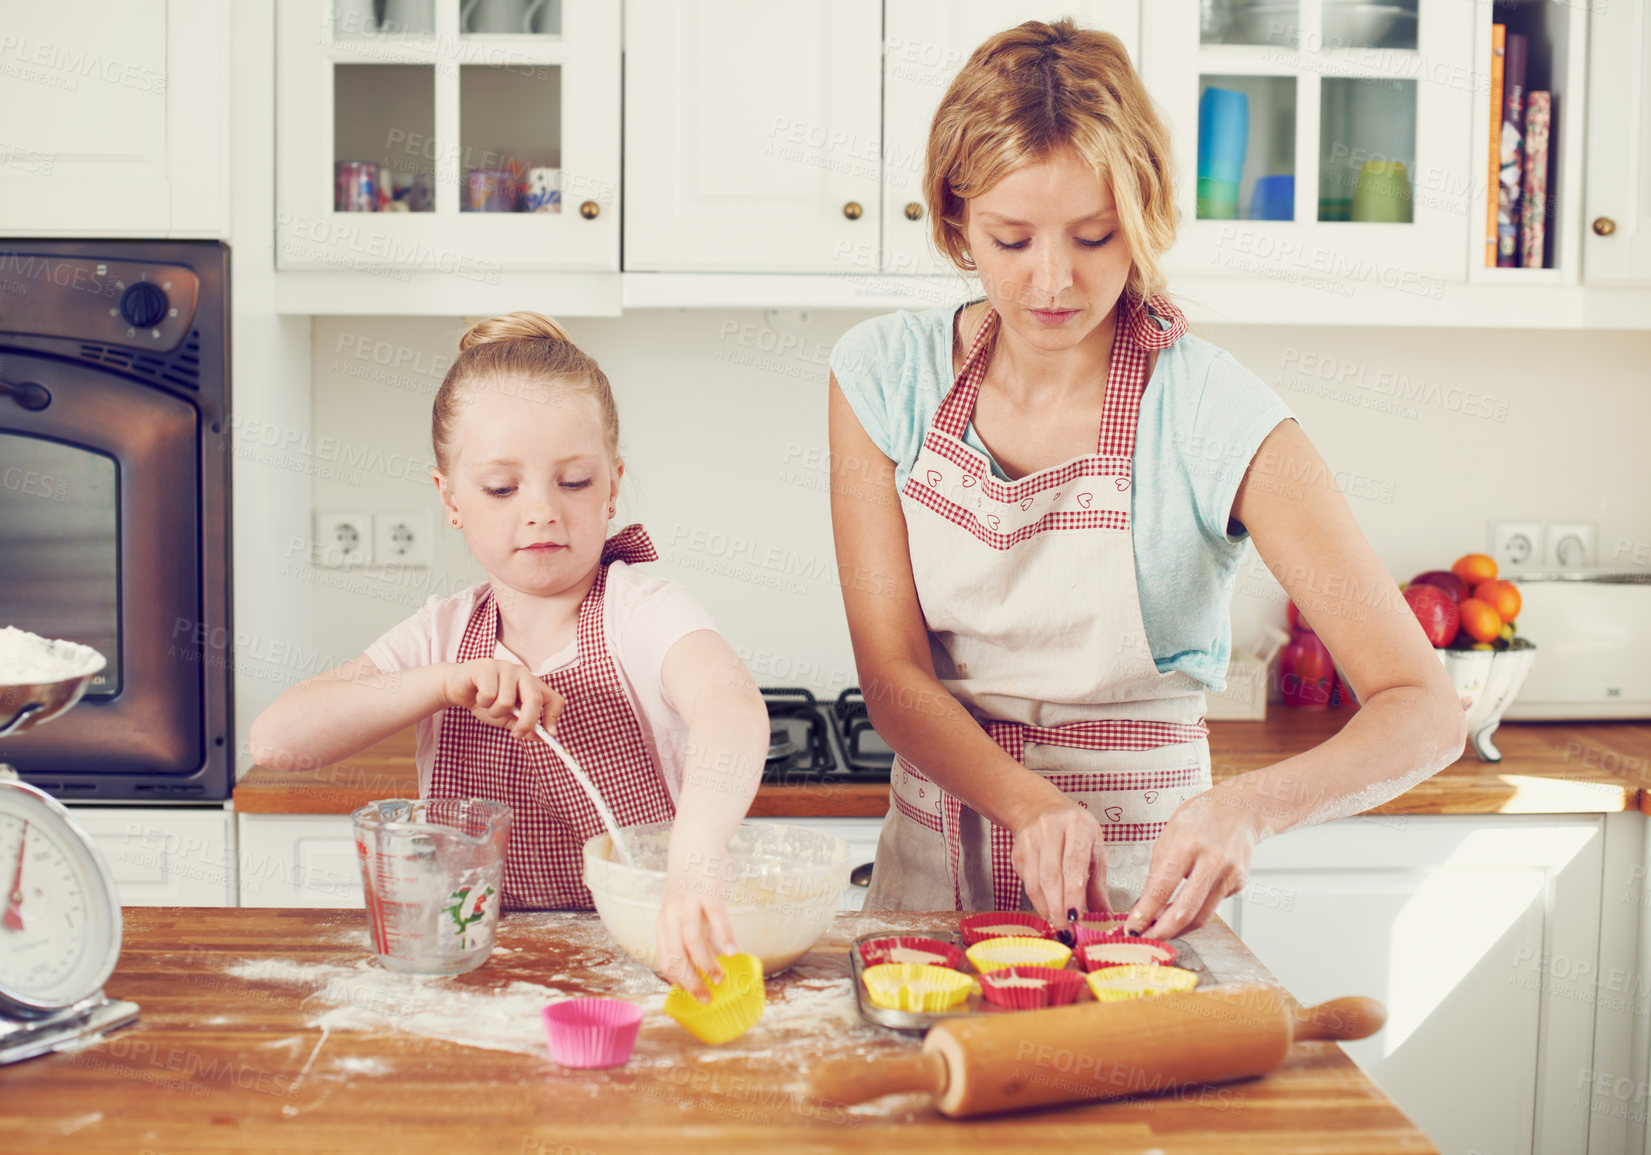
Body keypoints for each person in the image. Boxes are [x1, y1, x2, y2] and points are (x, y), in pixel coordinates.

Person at [826, 20, 1464, 941]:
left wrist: (1250, 807)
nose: (1053, 282)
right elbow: (890, 674)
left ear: (1145, 215)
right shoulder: (882, 375)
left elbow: (1422, 708)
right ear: (955, 218)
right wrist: (1025, 803)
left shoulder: (1214, 415)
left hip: (1144, 913)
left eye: (1093, 235)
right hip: (929, 894)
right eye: (1010, 240)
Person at [249, 312, 769, 999]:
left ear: (613, 485)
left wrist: (696, 861)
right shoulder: (440, 632)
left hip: (640, 958)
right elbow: (277, 740)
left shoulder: (641, 611)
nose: (542, 510)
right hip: (468, 963)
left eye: (574, 480)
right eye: (501, 487)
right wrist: (443, 681)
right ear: (450, 498)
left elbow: (731, 706)